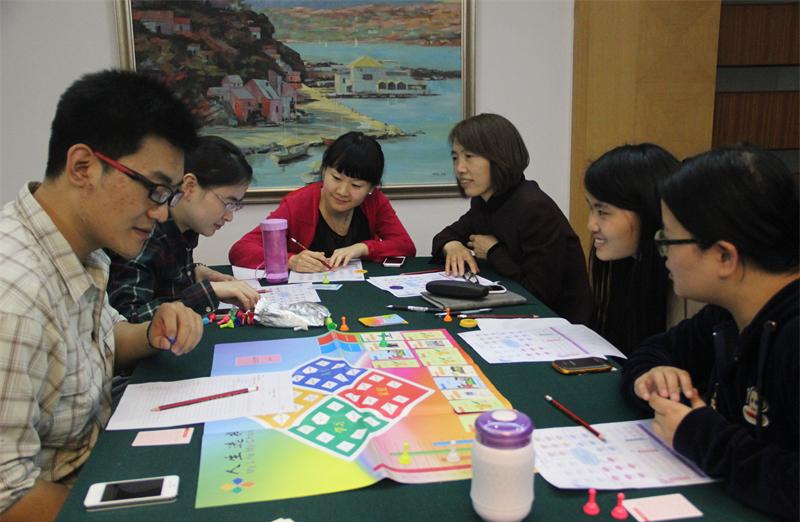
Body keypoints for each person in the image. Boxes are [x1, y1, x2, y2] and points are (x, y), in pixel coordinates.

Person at [0, 70, 204, 522]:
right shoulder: (12, 301)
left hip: (100, 459)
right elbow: (7, 499)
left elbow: (104, 340)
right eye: (154, 189)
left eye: (169, 195)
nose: (161, 212)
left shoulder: (82, 249)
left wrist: (151, 332)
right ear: (82, 167)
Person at [620, 145, 798, 522]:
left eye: (669, 240)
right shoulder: (728, 312)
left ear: (724, 256)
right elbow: (651, 351)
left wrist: (700, 435)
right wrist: (651, 376)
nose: (663, 254)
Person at [431, 113, 593, 324]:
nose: (460, 168)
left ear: (500, 157)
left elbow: (539, 292)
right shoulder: (485, 201)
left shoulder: (534, 207)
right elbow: (443, 238)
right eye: (455, 158)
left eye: (469, 156)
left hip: (559, 323)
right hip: (512, 312)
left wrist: (493, 251)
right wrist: (452, 245)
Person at [108, 135, 259, 322]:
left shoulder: (184, 229)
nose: (229, 216)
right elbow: (127, 321)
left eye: (235, 207)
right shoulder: (145, 233)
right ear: (189, 186)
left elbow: (162, 284)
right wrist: (207, 293)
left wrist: (195, 274)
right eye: (227, 203)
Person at [229, 131, 415, 271]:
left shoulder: (374, 201)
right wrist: (290, 260)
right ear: (324, 170)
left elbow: (405, 246)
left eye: (356, 185)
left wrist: (363, 248)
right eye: (336, 178)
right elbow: (240, 250)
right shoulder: (298, 204)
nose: (342, 191)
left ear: (371, 188)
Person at [584, 143, 679, 354]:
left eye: (603, 212)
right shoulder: (628, 267)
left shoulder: (683, 285)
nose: (591, 225)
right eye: (591, 209)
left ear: (648, 210)